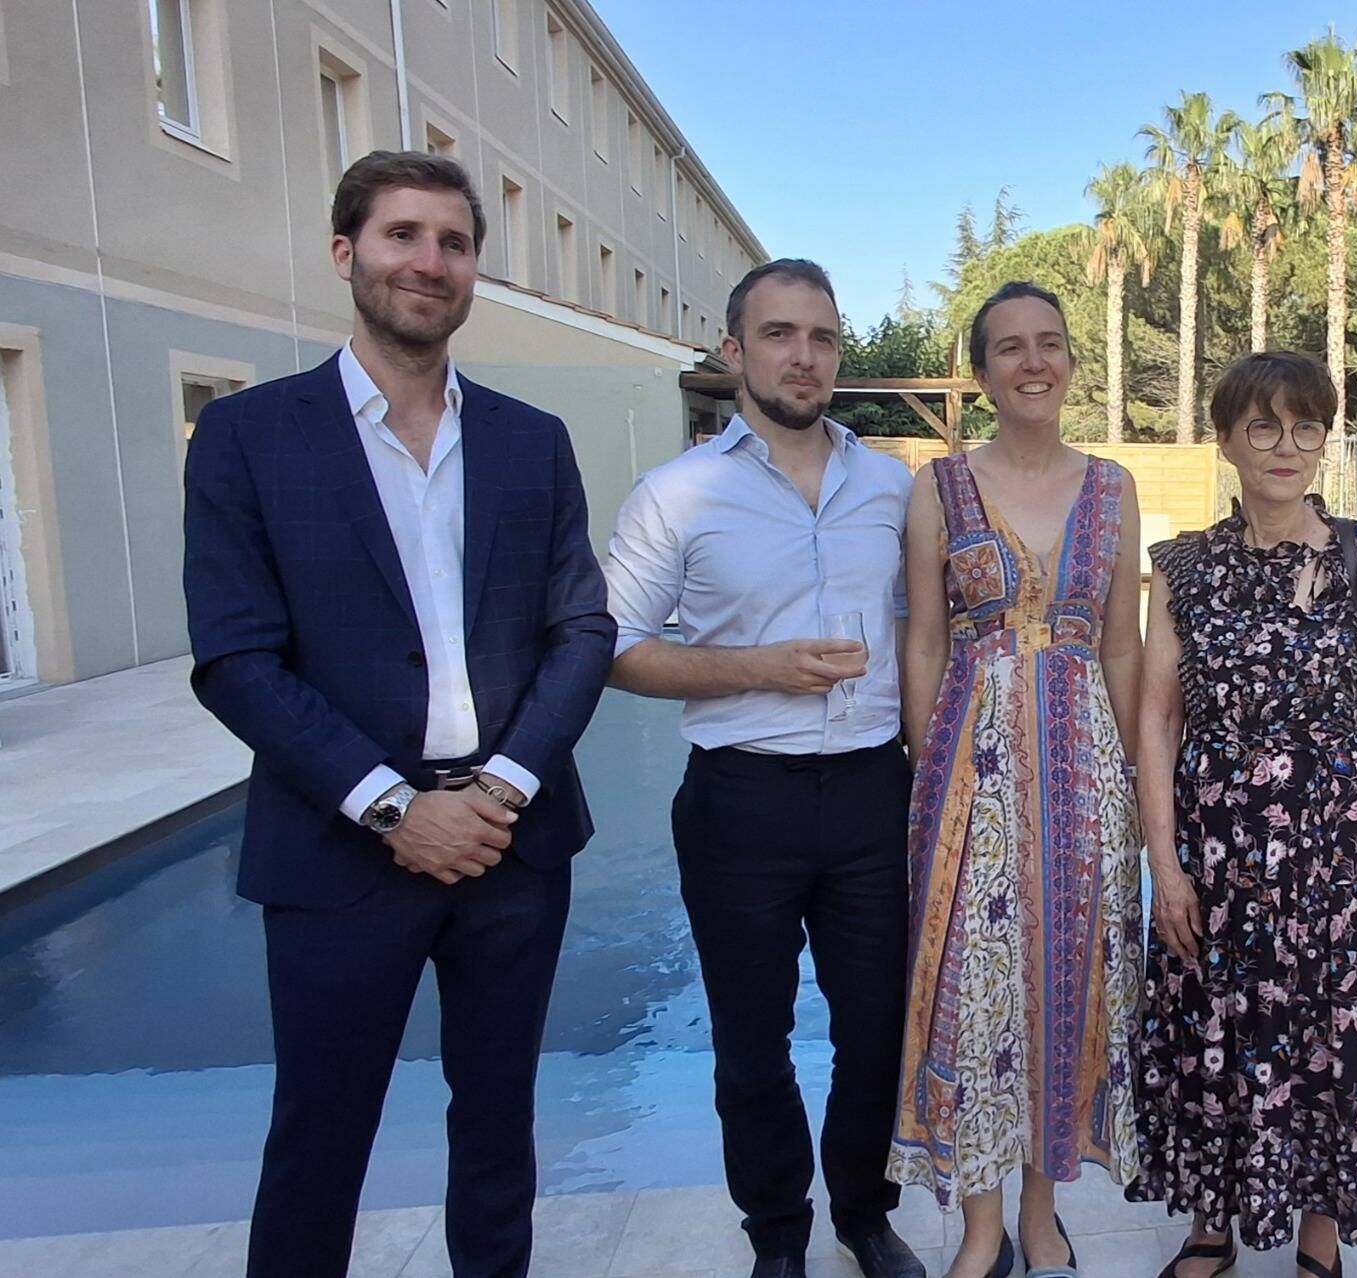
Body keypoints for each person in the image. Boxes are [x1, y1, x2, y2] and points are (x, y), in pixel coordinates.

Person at [182, 150, 614, 1278]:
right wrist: (392, 809)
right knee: (319, 1143)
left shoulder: (531, 439)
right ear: (346, 253)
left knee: (498, 1131)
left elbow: (582, 629)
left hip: (511, 847)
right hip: (337, 850)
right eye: (402, 235)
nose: (429, 261)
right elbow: (234, 657)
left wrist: (501, 787)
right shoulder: (249, 436)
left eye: (454, 242)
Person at [603, 260, 923, 1278]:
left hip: (873, 793)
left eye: (822, 337)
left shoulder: (893, 487)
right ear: (734, 351)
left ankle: (864, 1214)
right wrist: (758, 668)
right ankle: (776, 1233)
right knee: (751, 1043)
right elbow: (613, 649)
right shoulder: (677, 494)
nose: (804, 356)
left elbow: (928, 634)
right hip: (740, 798)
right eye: (780, 334)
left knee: (878, 1032)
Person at [1127, 352, 1357, 1278]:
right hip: (1217, 848)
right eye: (1263, 426)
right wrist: (1165, 865)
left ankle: (1318, 1240)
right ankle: (1211, 1225)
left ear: (1324, 438)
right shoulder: (1184, 567)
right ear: (1226, 441)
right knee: (1212, 1024)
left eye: (1306, 426)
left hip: (1333, 847)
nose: (1286, 446)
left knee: (1333, 1035)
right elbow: (1157, 717)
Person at [890, 281, 1144, 1278]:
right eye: (1009, 347)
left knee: (1066, 986)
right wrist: (933, 777)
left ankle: (1043, 1215)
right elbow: (923, 642)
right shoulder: (938, 487)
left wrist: (1132, 787)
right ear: (984, 372)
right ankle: (981, 1225)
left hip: (1085, 772)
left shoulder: (1112, 487)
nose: (1032, 362)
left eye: (1049, 343)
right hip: (971, 773)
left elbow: (1120, 647)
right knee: (976, 994)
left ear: (1070, 360)